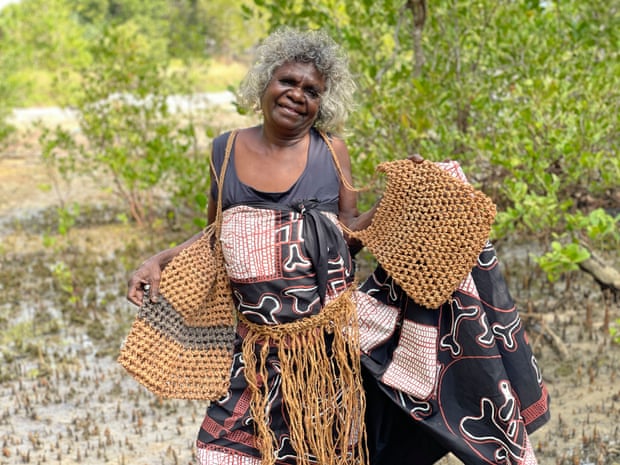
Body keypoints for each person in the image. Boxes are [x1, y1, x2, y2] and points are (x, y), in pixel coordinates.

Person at [126, 27, 549, 465]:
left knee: (326, 451)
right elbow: (216, 234)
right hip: (254, 351)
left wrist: (401, 200)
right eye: (287, 81)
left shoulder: (331, 153)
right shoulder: (225, 149)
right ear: (265, 82)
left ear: (322, 103)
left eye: (311, 90)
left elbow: (347, 235)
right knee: (220, 452)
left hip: (325, 351)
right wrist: (159, 259)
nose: (297, 94)